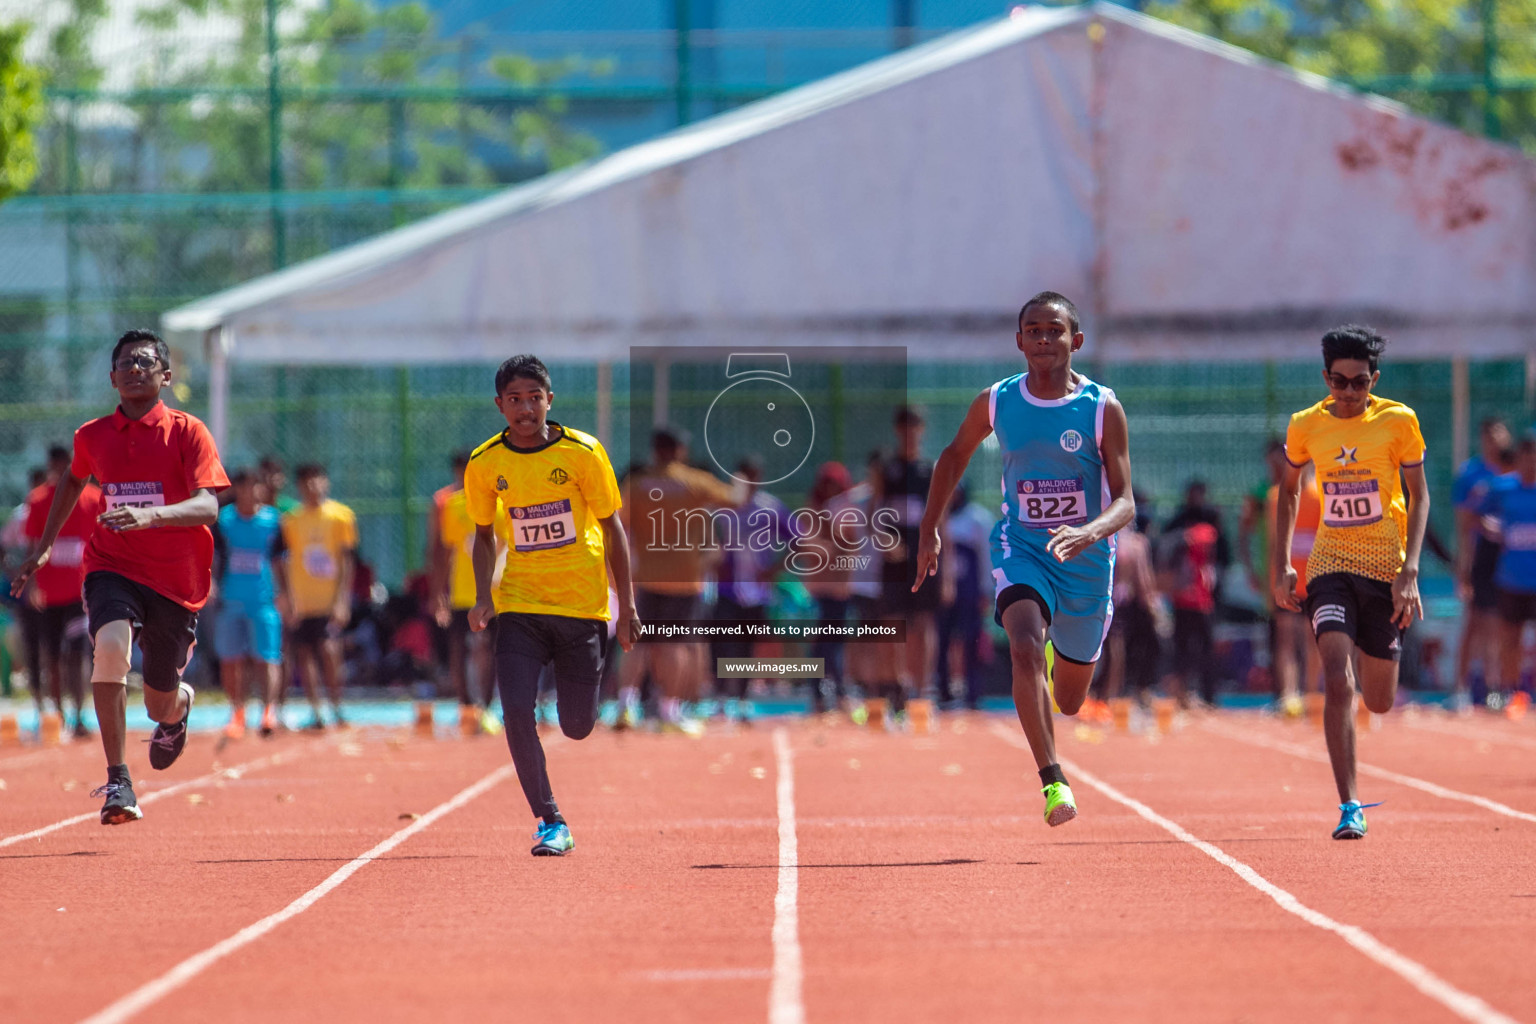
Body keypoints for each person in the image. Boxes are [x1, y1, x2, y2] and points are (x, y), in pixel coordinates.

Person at [914, 291, 1135, 828]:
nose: (1042, 338)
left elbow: (1126, 500)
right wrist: (929, 530)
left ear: (1075, 341)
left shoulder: (1102, 407)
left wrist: (1090, 530)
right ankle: (1053, 781)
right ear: (1018, 341)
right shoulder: (997, 400)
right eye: (1032, 330)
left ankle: (1065, 651)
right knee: (1023, 646)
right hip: (1023, 547)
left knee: (1071, 700)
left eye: (1054, 330)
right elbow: (953, 456)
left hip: (1086, 559)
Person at [11, 329, 229, 824]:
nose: (134, 368)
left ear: (165, 375)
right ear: (112, 378)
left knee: (159, 703)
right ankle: (118, 780)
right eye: (125, 363)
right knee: (109, 647)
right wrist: (42, 549)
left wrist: (150, 516)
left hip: (175, 581)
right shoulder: (91, 436)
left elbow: (208, 505)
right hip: (113, 566)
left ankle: (179, 707)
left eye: (145, 361)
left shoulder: (188, 431)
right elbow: (73, 479)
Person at [464, 354, 638, 856]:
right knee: (516, 709)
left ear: (549, 400)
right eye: (514, 400)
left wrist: (625, 606)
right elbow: (481, 535)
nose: (525, 409)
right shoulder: (486, 463)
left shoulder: (584, 453)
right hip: (520, 604)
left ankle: (583, 702)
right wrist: (482, 597)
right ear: (500, 405)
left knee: (577, 726)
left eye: (533, 398)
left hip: (582, 607)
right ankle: (550, 820)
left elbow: (613, 529)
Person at [1273, 324, 1428, 841]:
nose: (1348, 393)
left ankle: (1374, 644)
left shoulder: (1398, 420)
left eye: (1359, 383)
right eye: (1339, 383)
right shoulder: (1305, 425)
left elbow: (1420, 495)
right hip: (1330, 566)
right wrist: (1282, 564)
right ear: (1326, 378)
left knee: (1378, 700)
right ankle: (1350, 805)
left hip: (1386, 569)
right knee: (1337, 677)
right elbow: (1290, 491)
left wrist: (1410, 572)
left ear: (1373, 380)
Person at [619, 427, 737, 734]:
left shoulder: (638, 484)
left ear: (654, 450)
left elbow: (618, 524)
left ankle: (626, 706)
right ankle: (670, 711)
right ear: (681, 450)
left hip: (646, 577)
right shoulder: (696, 481)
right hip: (685, 579)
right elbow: (734, 500)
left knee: (639, 644)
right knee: (674, 646)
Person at [22, 447, 103, 738]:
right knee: (53, 655)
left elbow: (101, 540)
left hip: (80, 593)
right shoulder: (39, 499)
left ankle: (79, 715)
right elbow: (32, 544)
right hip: (49, 593)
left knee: (79, 652)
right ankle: (58, 714)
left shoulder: (93, 498)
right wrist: (32, 583)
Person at [432, 450, 509, 733]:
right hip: (464, 592)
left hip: (496, 595)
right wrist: (439, 593)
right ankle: (465, 705)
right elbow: (448, 551)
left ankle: (486, 706)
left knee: (492, 648)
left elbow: (508, 544)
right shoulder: (453, 506)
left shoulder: (501, 505)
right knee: (459, 648)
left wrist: (498, 571)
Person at [877, 406, 947, 711]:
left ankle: (923, 688)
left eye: (914, 428)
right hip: (893, 558)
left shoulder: (929, 470)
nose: (909, 434)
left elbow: (941, 520)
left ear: (921, 431)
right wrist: (885, 541)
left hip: (923, 554)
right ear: (897, 431)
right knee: (894, 623)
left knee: (923, 622)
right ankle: (898, 684)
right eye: (904, 428)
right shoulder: (887, 469)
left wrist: (948, 570)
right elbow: (874, 514)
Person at [277, 463, 357, 730]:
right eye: (306, 482)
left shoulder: (341, 517)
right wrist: (288, 598)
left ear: (326, 482)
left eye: (317, 480)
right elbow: (284, 560)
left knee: (330, 651)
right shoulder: (291, 520)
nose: (312, 487)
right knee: (304, 654)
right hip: (302, 601)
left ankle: (337, 706)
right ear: (299, 487)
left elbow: (347, 560)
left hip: (329, 599)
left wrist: (342, 600)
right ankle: (317, 710)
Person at [212, 468, 285, 739]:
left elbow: (280, 560)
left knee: (267, 657)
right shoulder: (224, 521)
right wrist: (212, 585)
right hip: (231, 600)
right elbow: (216, 557)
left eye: (255, 486)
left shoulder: (273, 521)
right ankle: (237, 712)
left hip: (264, 599)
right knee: (232, 659)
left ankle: (268, 710)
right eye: (244, 486)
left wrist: (286, 595)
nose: (249, 491)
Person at [1453, 418, 1513, 710]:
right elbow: (1463, 524)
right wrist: (1463, 568)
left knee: (1499, 627)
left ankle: (1495, 688)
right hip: (1480, 557)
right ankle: (1460, 688)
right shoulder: (1470, 473)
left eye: (1499, 435)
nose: (1494, 441)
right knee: (1474, 623)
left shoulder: (1516, 469)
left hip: (1511, 560)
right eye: (1489, 435)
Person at [1476, 433, 1536, 704]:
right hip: (1511, 578)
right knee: (1510, 637)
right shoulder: (1502, 488)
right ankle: (1512, 691)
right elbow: (1477, 515)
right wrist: (1495, 531)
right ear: (1519, 459)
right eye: (1526, 456)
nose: (1530, 462)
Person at [1159, 481, 1225, 709]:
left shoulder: (1187, 531)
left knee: (1196, 649)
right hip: (1188, 599)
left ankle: (1200, 694)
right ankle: (1185, 693)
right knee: (1187, 649)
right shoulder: (1198, 531)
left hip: (1200, 599)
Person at [1265, 460, 1322, 715]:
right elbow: (1274, 542)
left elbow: (1273, 543)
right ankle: (1299, 695)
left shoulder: (1278, 495)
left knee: (1303, 641)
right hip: (1297, 580)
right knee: (1298, 641)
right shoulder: (1277, 497)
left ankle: (1299, 696)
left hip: (1307, 580)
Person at [1097, 493, 1159, 705]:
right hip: (1123, 601)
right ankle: (1111, 693)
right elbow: (1144, 579)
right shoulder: (1136, 543)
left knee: (1104, 647)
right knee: (1117, 647)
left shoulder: (1103, 538)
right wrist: (1152, 606)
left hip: (1100, 597)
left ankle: (1104, 694)